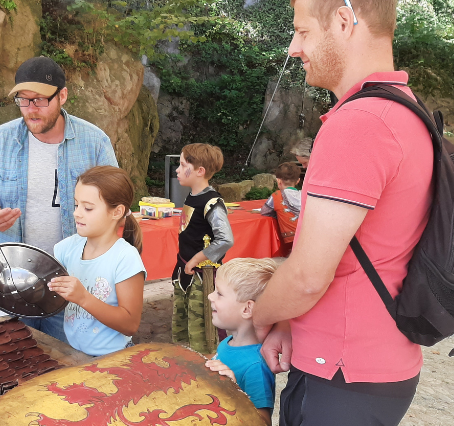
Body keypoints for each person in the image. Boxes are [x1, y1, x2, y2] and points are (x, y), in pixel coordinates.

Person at [253, 1, 433, 425]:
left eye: (302, 31)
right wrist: (291, 323)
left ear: (342, 20)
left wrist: (258, 316)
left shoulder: (359, 123)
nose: (294, 48)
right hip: (378, 362)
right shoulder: (405, 109)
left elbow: (307, 276)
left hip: (340, 374)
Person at [0, 56, 118, 342]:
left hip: (75, 282)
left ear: (62, 95)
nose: (31, 110)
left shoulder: (95, 142)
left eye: (39, 101)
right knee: (11, 362)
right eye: (24, 101)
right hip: (8, 279)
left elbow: (116, 208)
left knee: (69, 365)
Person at [47, 166, 145, 356]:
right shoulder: (68, 247)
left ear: (117, 212)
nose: (77, 213)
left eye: (88, 208)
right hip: (74, 352)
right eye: (76, 205)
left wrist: (83, 298)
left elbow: (130, 324)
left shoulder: (125, 258)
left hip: (112, 359)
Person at [172, 143, 234, 354]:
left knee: (203, 329)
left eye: (182, 165)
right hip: (185, 270)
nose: (177, 170)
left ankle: (205, 365)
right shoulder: (192, 196)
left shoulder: (212, 202)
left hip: (202, 276)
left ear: (200, 171)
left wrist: (197, 258)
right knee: (186, 322)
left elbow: (225, 239)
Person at [205, 258, 278, 426]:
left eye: (219, 293)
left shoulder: (256, 367)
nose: (210, 296)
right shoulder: (228, 342)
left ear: (247, 309)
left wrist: (234, 391)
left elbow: (263, 422)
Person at [261, 162, 302, 251]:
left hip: (291, 238)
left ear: (278, 181)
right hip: (307, 235)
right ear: (298, 181)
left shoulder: (276, 195)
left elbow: (264, 211)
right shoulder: (304, 195)